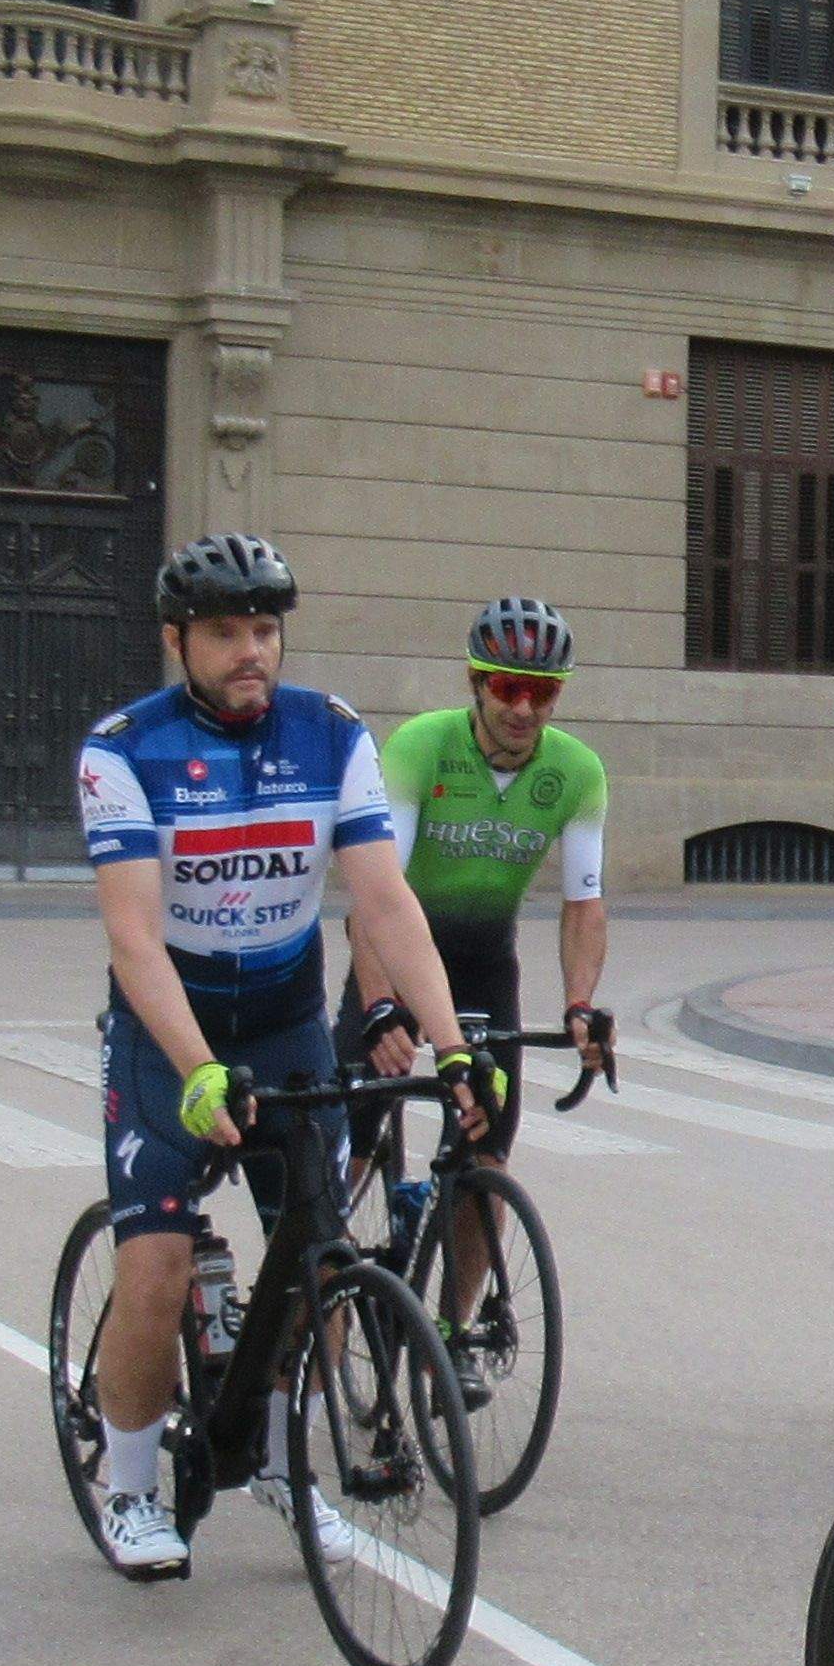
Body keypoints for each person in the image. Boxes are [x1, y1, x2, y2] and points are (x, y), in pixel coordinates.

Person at [77, 534, 491, 1585]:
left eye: (265, 630)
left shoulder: (329, 734)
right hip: (170, 1023)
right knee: (158, 1267)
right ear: (178, 641)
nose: (250, 651)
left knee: (315, 1257)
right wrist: (196, 1066)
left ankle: (276, 1460)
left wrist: (452, 1050)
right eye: (225, 633)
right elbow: (132, 938)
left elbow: (384, 901)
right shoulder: (125, 750)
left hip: (282, 1016)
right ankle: (128, 1484)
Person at [350, 597, 612, 1155]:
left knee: (486, 1151)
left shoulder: (578, 771)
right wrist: (376, 1003)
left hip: (484, 968)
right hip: (398, 958)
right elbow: (376, 896)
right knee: (348, 1132)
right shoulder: (422, 745)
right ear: (475, 681)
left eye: (542, 692)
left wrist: (580, 1006)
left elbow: (583, 906)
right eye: (506, 687)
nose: (523, 707)